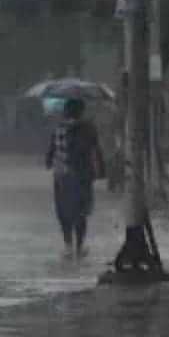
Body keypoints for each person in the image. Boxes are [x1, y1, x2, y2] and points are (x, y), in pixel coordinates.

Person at [46, 97, 105, 259]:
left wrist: (50, 162)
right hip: (81, 175)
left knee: (64, 211)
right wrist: (101, 171)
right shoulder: (88, 128)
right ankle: (79, 247)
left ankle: (68, 246)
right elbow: (95, 150)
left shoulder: (59, 128)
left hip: (61, 176)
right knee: (81, 212)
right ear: (81, 111)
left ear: (65, 111)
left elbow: (51, 152)